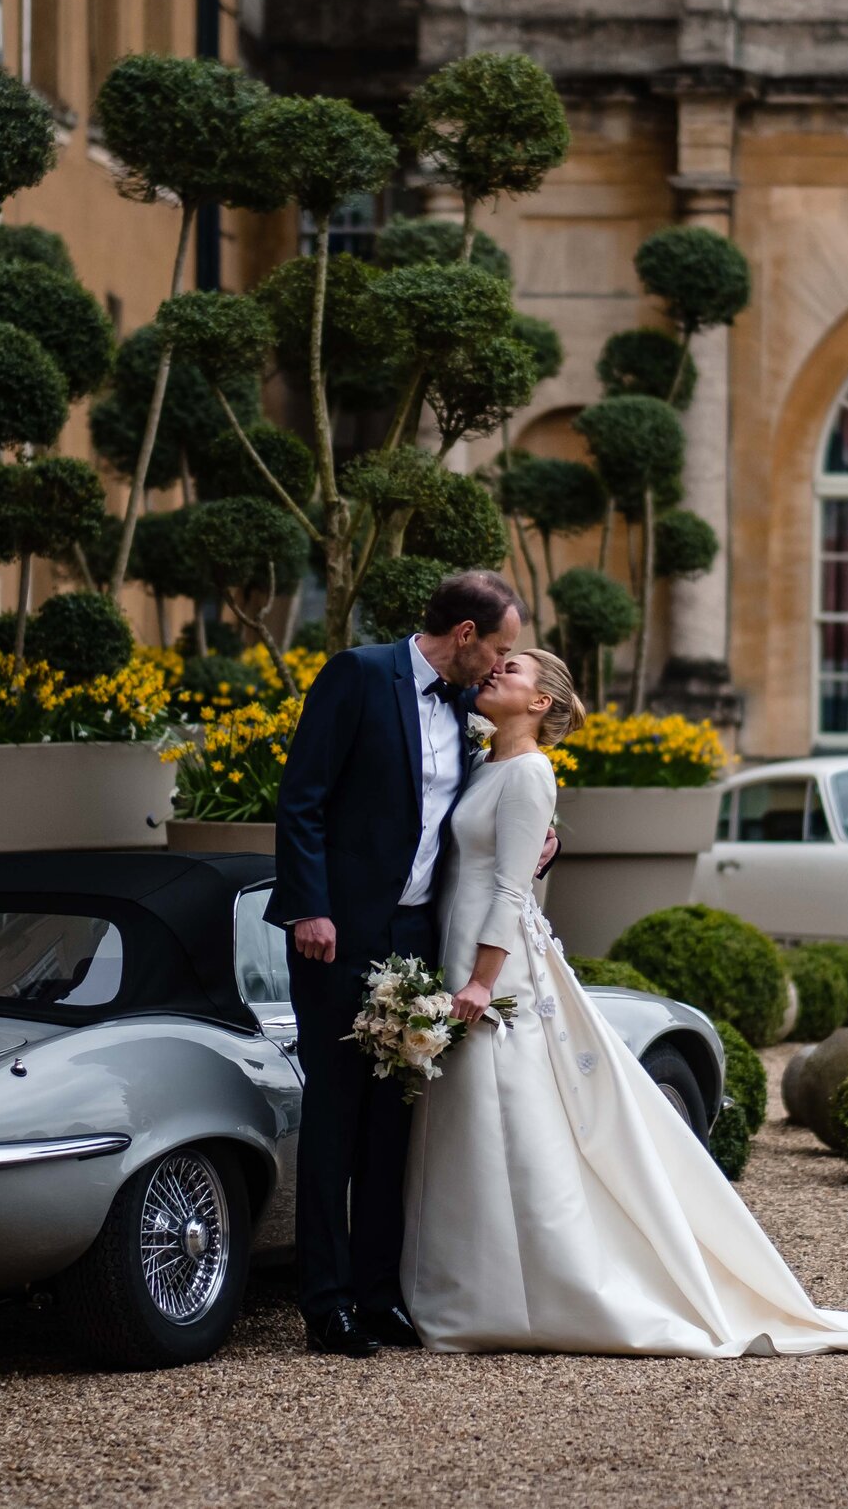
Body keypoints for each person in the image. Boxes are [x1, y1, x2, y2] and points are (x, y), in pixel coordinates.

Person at [400, 647, 848, 1361]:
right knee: (475, 1119)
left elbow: (513, 890)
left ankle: (520, 1293)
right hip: (457, 950)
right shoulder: (484, 760)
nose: (494, 670)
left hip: (496, 969)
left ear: (542, 702)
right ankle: (463, 1286)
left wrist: (484, 980)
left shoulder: (530, 771)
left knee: (510, 1117)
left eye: (512, 670)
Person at [266, 569, 547, 1358]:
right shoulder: (358, 673)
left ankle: (380, 1294)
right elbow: (303, 796)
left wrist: (546, 843)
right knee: (335, 1118)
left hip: (417, 937)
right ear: (465, 635)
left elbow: (504, 807)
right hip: (337, 932)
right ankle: (326, 1305)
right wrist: (308, 905)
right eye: (498, 647)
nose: (500, 665)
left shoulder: (464, 707)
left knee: (394, 1124)